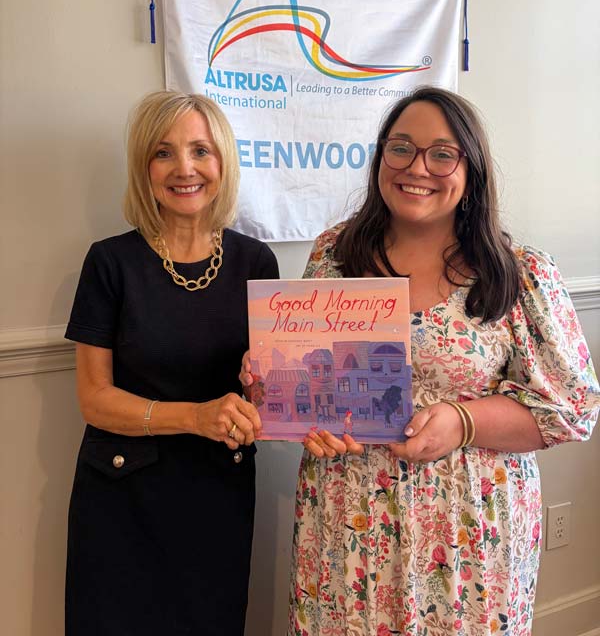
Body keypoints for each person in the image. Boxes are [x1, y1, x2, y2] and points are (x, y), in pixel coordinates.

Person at [242, 86, 599, 636]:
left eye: (442, 154)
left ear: (471, 170)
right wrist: (272, 381)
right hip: (345, 521)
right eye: (401, 147)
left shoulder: (520, 272)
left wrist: (463, 421)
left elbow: (574, 409)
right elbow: (314, 381)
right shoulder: (334, 254)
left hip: (465, 537)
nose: (417, 168)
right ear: (381, 157)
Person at [65, 91, 278, 636]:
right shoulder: (110, 262)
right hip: (122, 497)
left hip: (217, 495)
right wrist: (195, 416)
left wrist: (264, 386)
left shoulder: (256, 262)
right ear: (144, 167)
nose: (185, 168)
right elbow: (94, 400)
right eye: (164, 152)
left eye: (200, 150)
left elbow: (266, 397)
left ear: (223, 161)